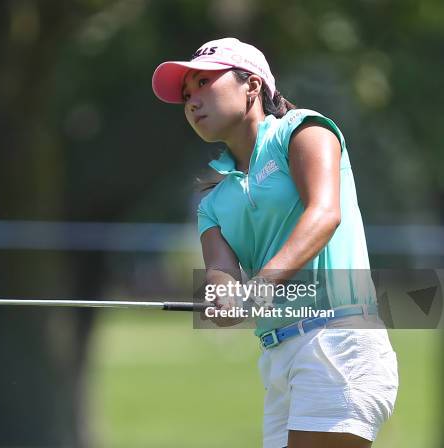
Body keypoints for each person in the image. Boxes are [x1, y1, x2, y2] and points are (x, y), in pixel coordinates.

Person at [151, 38, 398, 448]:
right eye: (186, 95)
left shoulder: (303, 130)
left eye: (204, 83)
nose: (192, 101)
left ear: (251, 86)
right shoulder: (212, 201)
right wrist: (222, 298)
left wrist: (260, 286)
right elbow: (221, 276)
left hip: (338, 340)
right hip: (279, 360)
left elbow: (323, 215)